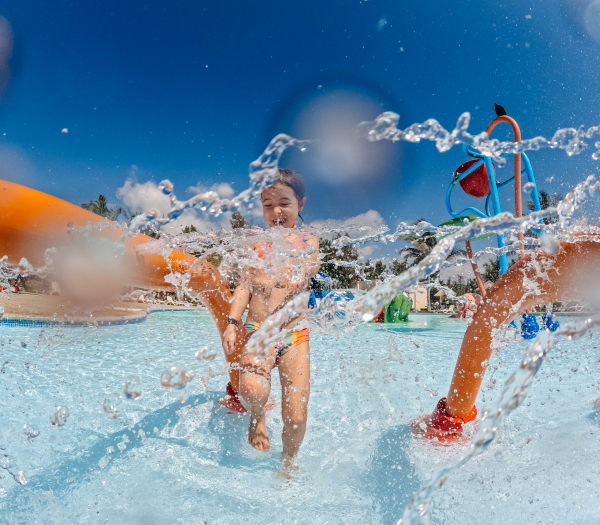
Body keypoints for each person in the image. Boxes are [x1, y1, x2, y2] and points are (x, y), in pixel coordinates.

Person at [222, 168, 319, 469]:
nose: (276, 211)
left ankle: (288, 460)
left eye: (284, 203)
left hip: (294, 333)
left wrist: (286, 247)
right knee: (251, 389)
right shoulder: (254, 243)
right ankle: (258, 415)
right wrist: (231, 322)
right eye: (267, 205)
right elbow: (243, 287)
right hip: (257, 330)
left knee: (296, 414)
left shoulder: (310, 241)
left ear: (300, 204)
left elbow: (308, 269)